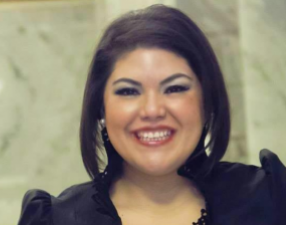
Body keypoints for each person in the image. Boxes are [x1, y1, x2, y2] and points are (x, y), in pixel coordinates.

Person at [18, 4, 286, 225]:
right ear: (100, 108)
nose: (153, 110)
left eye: (175, 88)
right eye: (128, 91)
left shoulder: (271, 198)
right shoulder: (55, 219)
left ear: (207, 101)